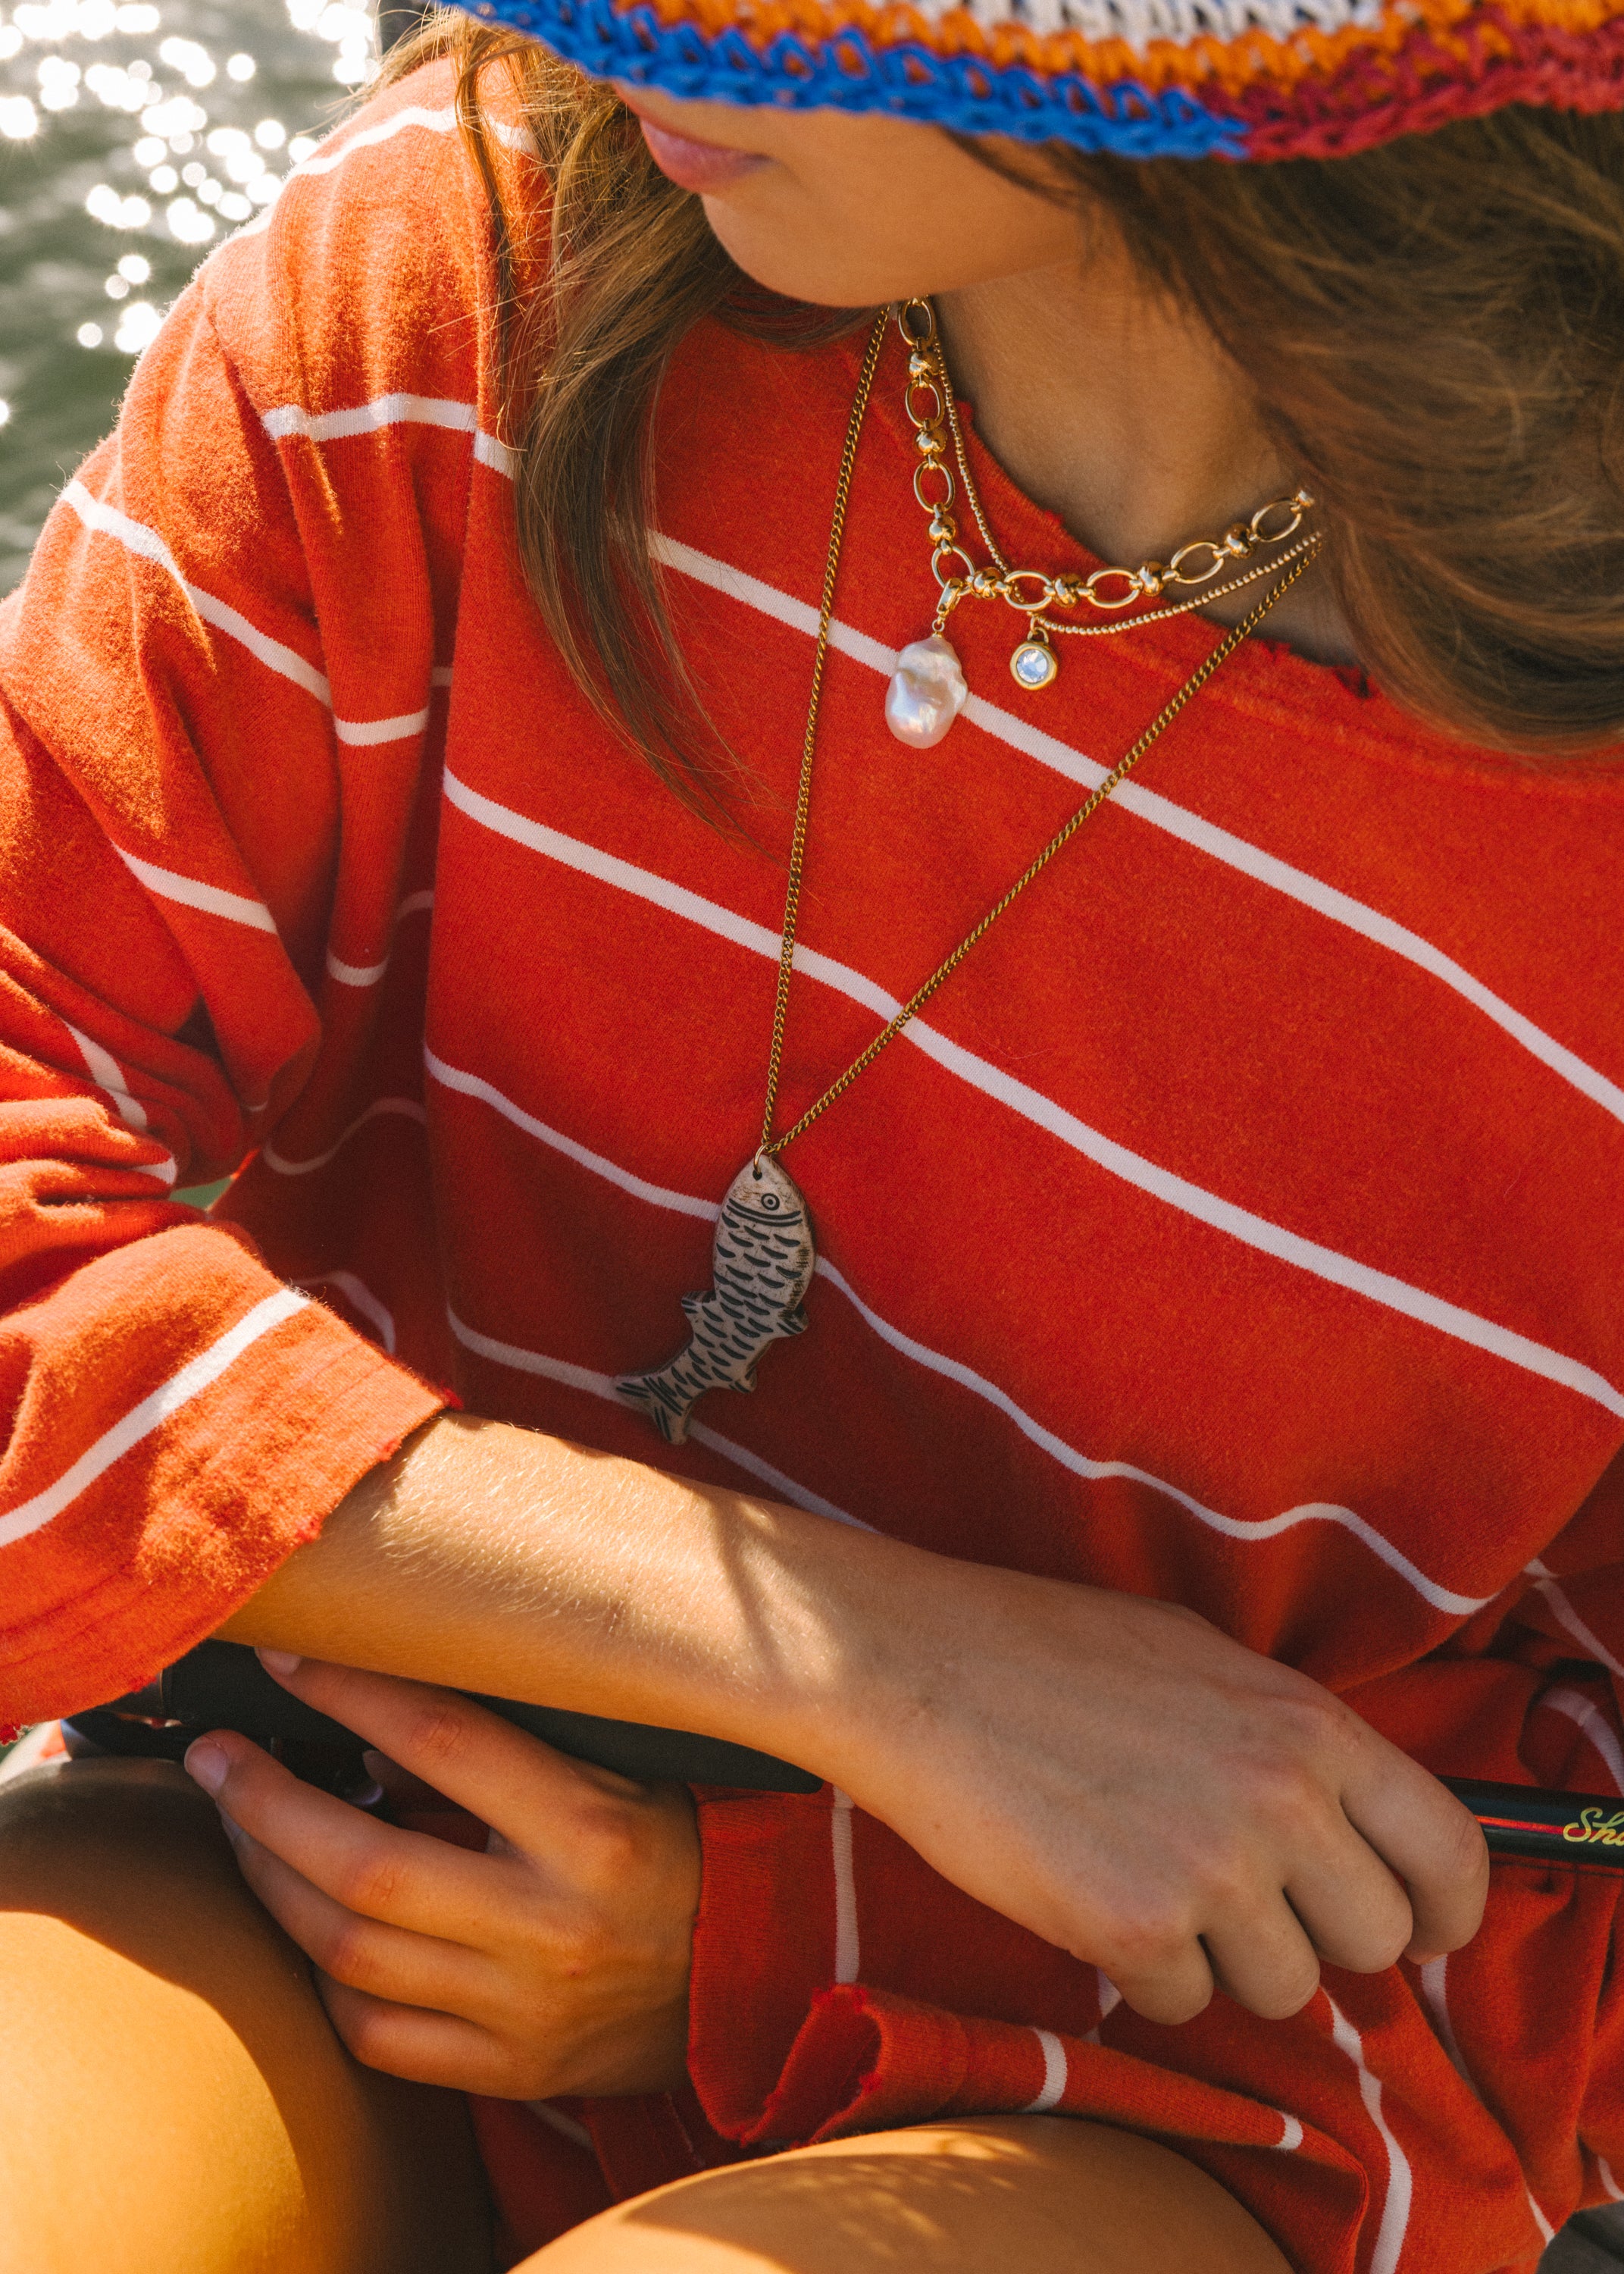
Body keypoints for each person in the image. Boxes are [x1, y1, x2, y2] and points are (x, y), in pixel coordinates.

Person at [0, 0, 1621, 2261]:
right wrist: (865, 1665)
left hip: (1176, 2083)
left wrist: (774, 1923)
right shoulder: (473, 266)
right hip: (304, 1819)